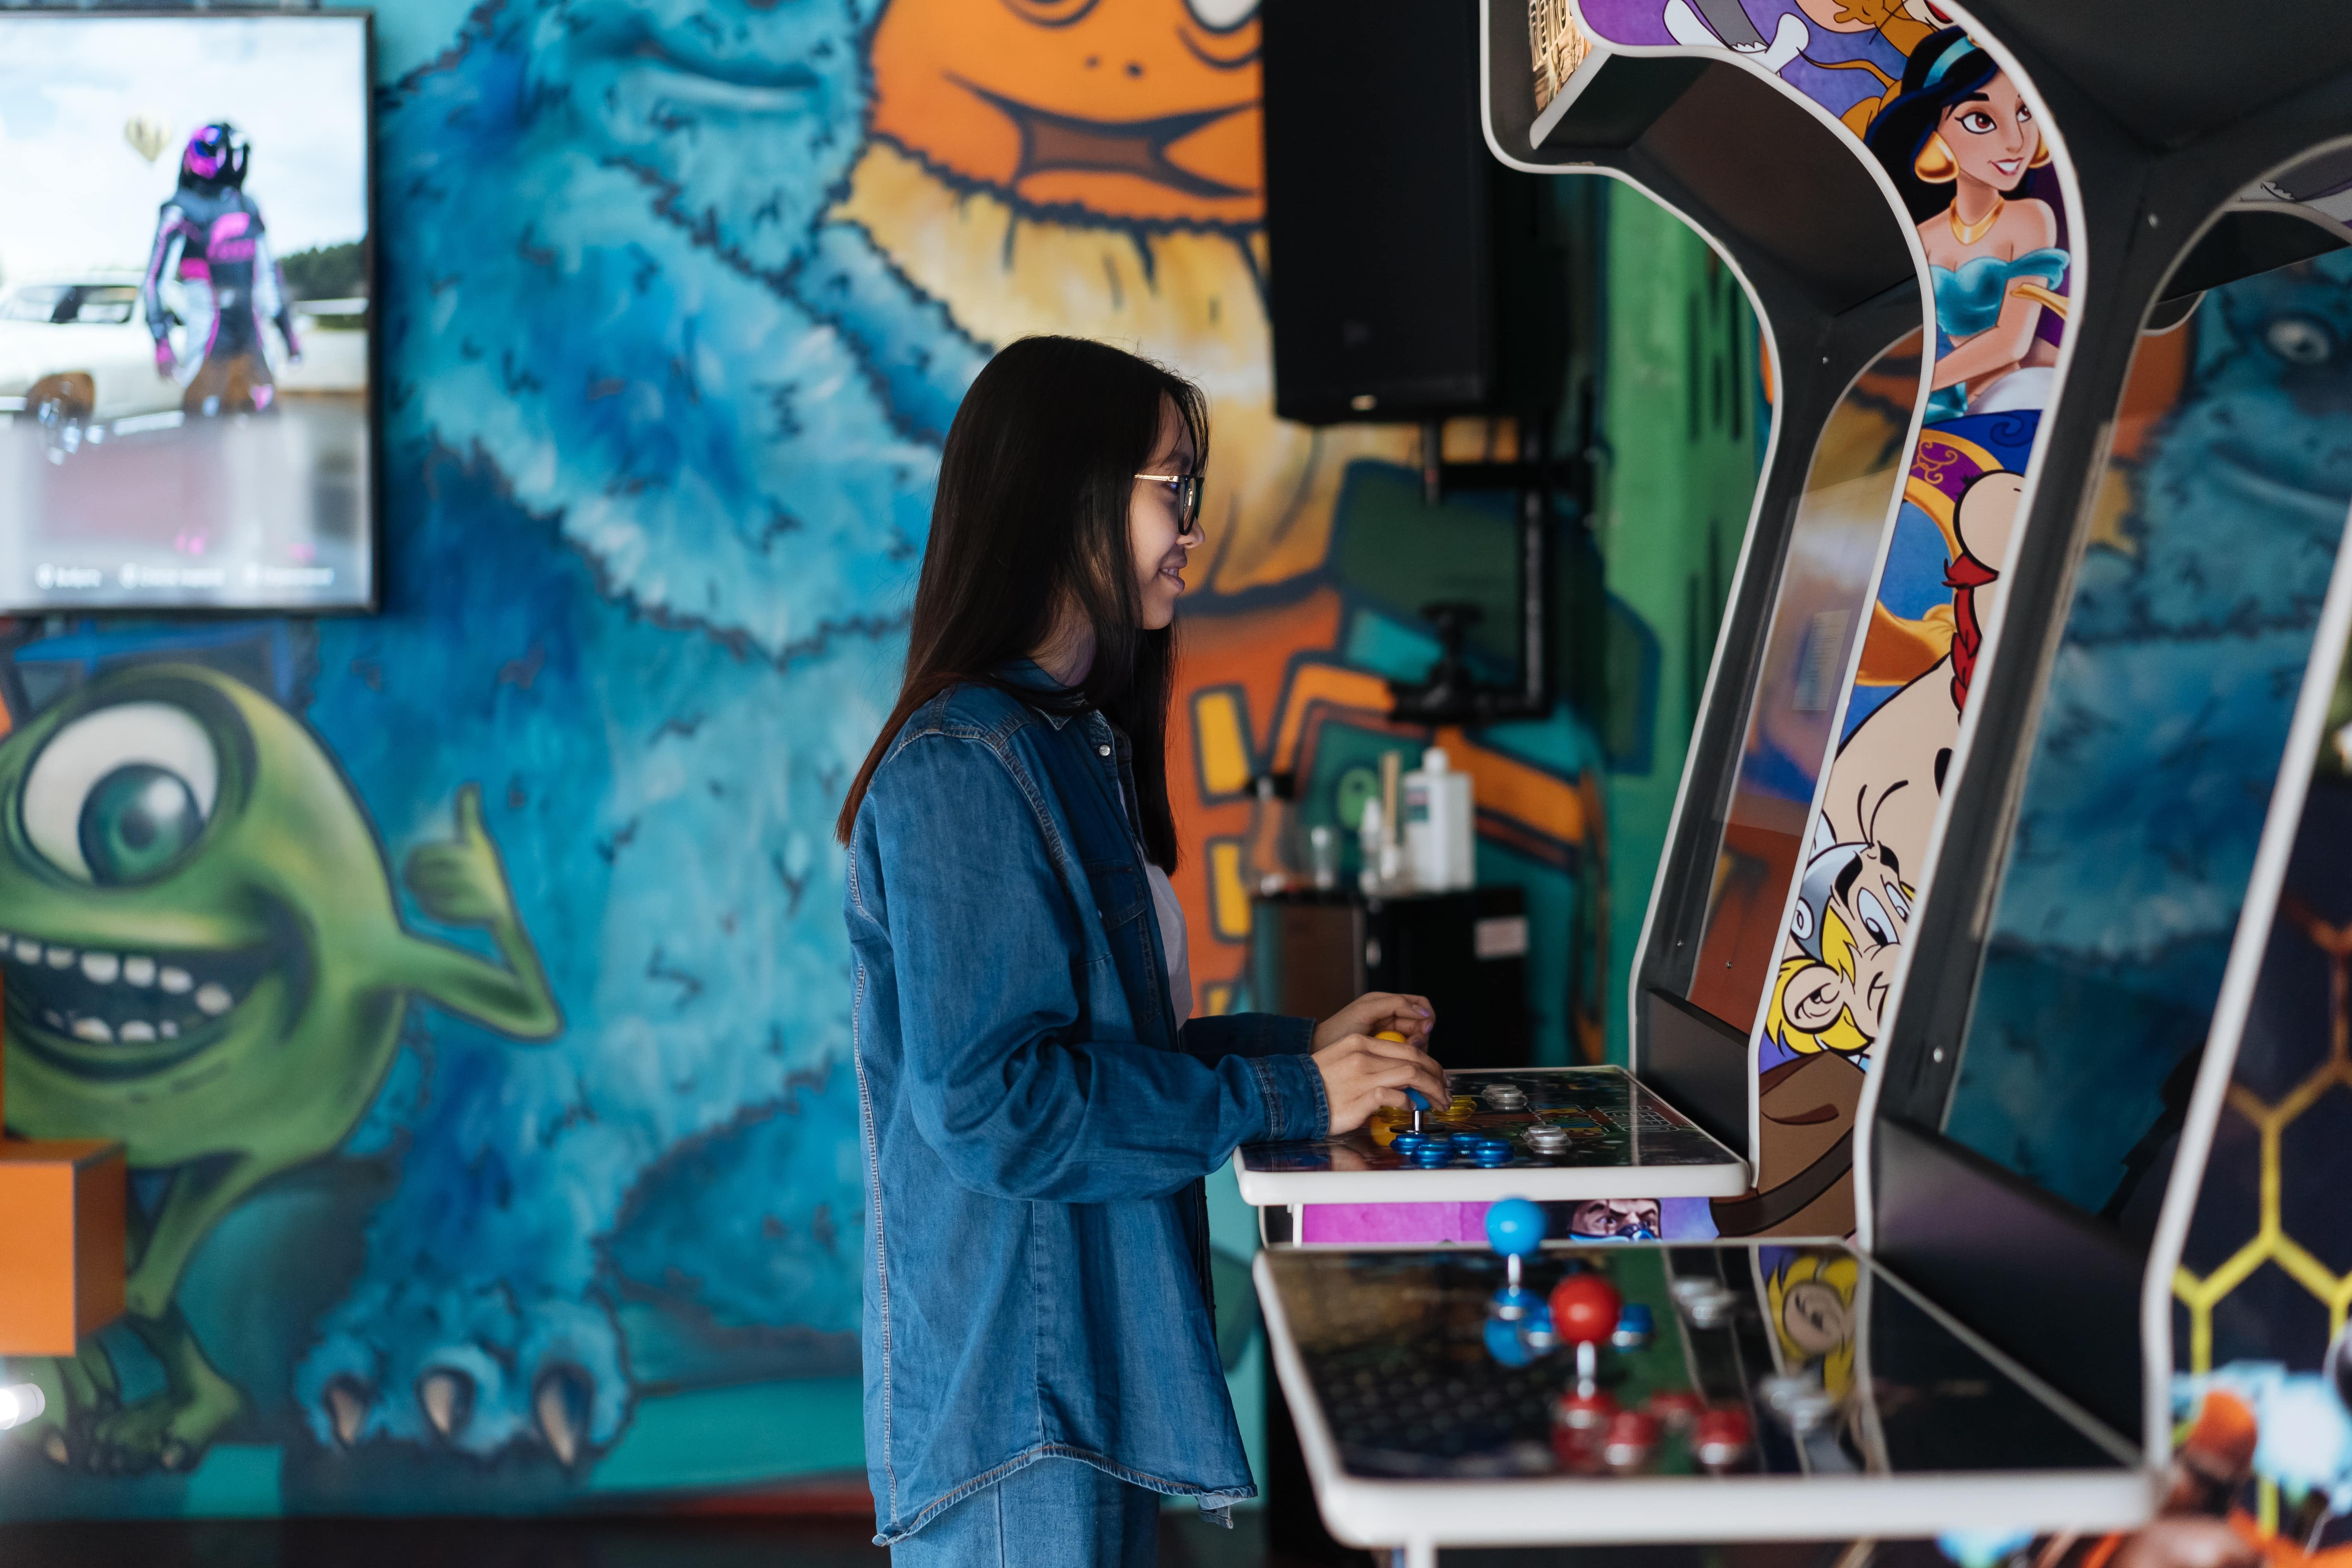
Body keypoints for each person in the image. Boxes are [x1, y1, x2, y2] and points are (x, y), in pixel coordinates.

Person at [836, 335, 1448, 1566]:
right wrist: (1290, 1091)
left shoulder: (1067, 747)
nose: (1189, 530)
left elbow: (1111, 1057)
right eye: (1170, 488)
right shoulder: (965, 764)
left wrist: (1300, 1049)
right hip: (1021, 1419)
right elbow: (1000, 1104)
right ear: (1064, 497)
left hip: (1069, 1404)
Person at [1865, 27, 2070, 424]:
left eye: (2025, 112)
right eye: (1981, 119)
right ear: (1933, 133)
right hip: (1944, 406)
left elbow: (2012, 343)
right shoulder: (1923, 237)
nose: (2015, 141)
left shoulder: (2029, 219)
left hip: (2014, 392)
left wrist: (1923, 384)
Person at [139, 122, 303, 418]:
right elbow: (154, 283)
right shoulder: (180, 210)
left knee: (266, 420)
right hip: (208, 339)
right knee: (204, 429)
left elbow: (269, 275)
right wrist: (162, 343)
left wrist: (287, 333)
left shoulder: (248, 205)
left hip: (252, 336)